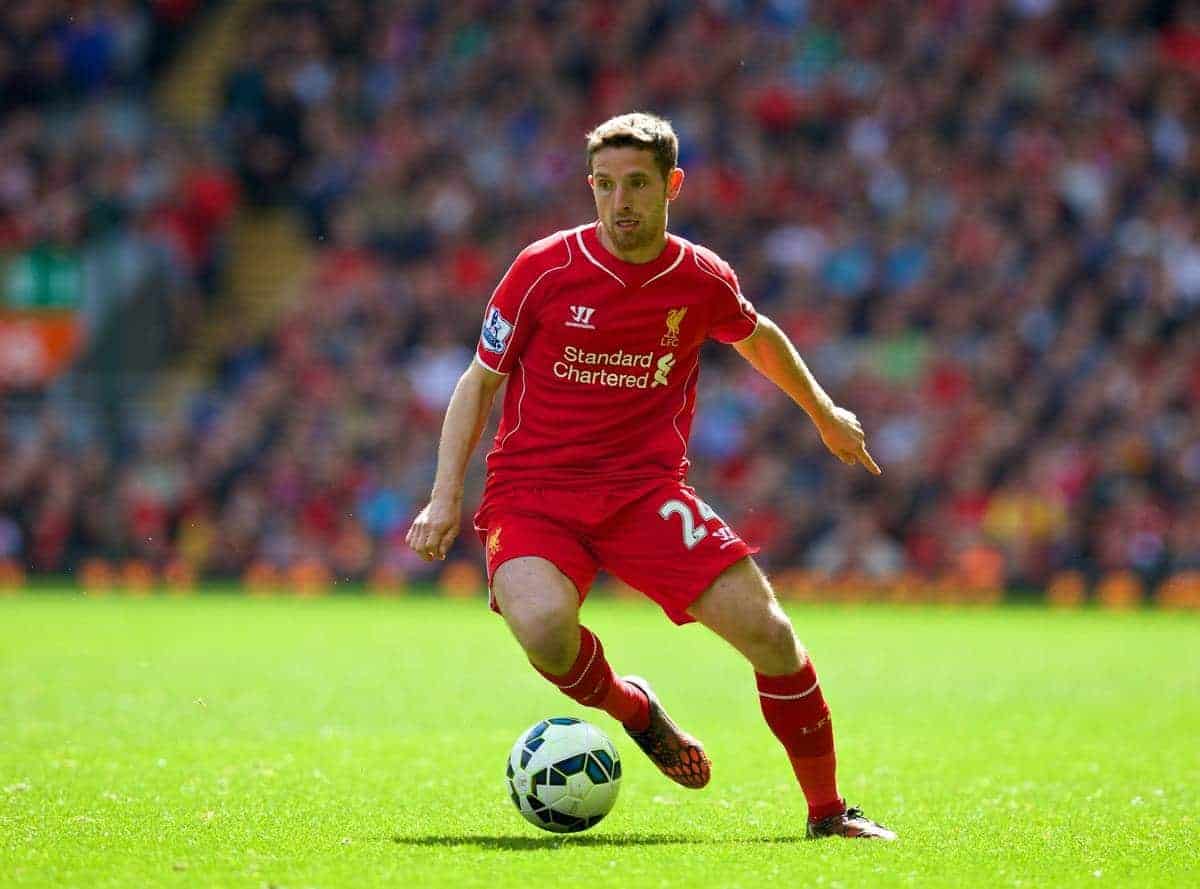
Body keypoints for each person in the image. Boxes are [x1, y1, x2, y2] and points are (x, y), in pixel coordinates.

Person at [406, 112, 896, 840]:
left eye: (637, 184)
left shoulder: (699, 277)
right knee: (541, 626)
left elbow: (756, 336)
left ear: (673, 185)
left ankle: (829, 812)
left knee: (770, 634)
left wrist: (823, 412)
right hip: (534, 494)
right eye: (604, 185)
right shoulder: (542, 269)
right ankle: (632, 707)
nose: (620, 201)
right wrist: (446, 495)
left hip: (645, 494)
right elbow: (478, 382)